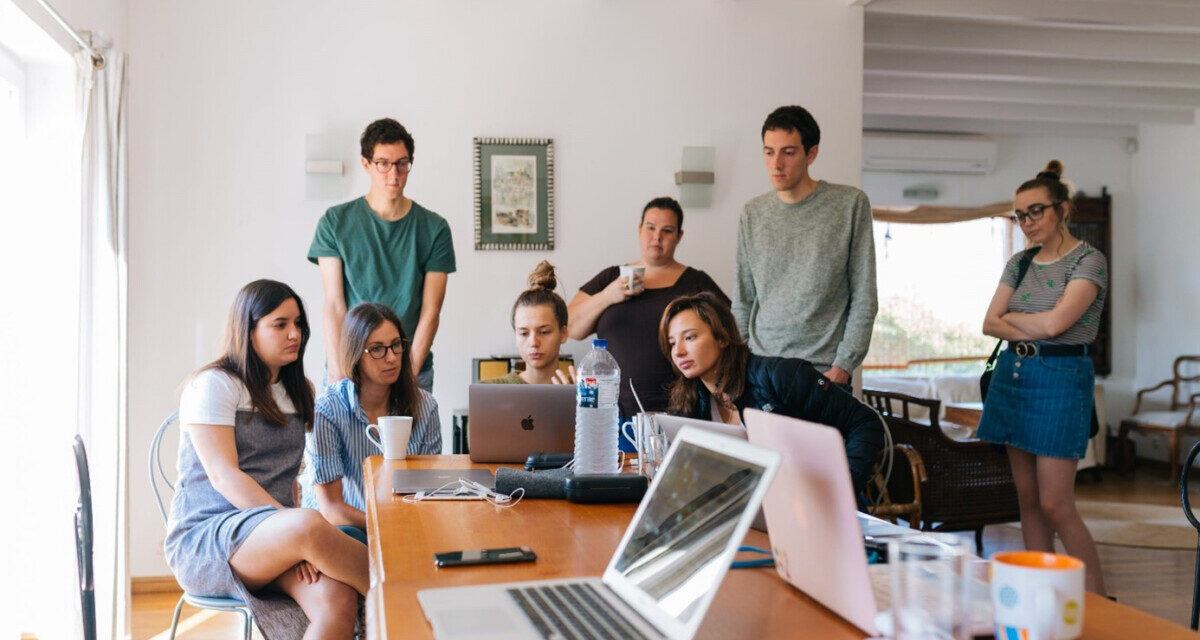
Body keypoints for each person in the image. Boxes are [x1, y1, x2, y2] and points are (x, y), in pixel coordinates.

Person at [166, 280, 367, 640]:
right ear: (249, 329)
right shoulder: (215, 384)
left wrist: (294, 541)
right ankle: (413, 597)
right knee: (310, 525)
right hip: (210, 539)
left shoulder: (298, 390)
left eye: (299, 324)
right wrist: (295, 534)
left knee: (337, 599)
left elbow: (289, 478)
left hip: (275, 535)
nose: (295, 334)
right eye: (280, 324)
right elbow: (224, 476)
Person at [979, 160, 1108, 594]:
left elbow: (1057, 327)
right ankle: (1039, 593)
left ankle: (1097, 601)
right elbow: (989, 323)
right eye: (1020, 214)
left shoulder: (1090, 261)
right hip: (1014, 376)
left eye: (1036, 211)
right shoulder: (1019, 262)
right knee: (1028, 501)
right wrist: (1029, 321)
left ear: (1063, 210)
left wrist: (1015, 317)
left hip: (1061, 379)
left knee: (1056, 503)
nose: (1027, 222)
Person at [659, 292, 883, 497]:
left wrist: (842, 489)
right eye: (672, 343)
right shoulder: (690, 401)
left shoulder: (780, 376)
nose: (678, 351)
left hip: (813, 504)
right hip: (754, 509)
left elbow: (865, 422)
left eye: (689, 338)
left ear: (722, 337)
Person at [733, 105, 877, 388]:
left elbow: (864, 296)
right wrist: (739, 363)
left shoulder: (849, 205)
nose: (776, 164)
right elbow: (743, 299)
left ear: (811, 154)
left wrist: (843, 366)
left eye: (788, 152)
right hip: (761, 369)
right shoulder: (753, 212)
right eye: (768, 152)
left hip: (823, 373)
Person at [309, 118, 456, 392]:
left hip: (410, 367)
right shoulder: (335, 223)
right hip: (351, 367)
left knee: (412, 437)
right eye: (383, 163)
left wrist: (408, 376)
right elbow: (334, 305)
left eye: (402, 163)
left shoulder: (434, 229)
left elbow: (431, 311)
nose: (394, 174)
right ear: (366, 164)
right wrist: (339, 372)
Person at [568, 197, 728, 420]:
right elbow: (571, 327)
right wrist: (608, 296)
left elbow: (729, 335)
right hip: (611, 411)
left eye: (667, 230)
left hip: (682, 409)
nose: (657, 237)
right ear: (639, 229)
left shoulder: (696, 282)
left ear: (679, 236)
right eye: (650, 228)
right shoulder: (611, 277)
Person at [301, 302, 443, 537]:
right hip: (343, 530)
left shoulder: (426, 406)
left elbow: (427, 490)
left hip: (403, 525)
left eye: (396, 345)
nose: (391, 358)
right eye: (377, 349)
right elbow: (331, 509)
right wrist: (386, 526)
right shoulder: (327, 410)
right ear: (355, 354)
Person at [482, 261, 574, 385]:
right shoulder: (488, 391)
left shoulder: (582, 390)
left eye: (544, 332)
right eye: (524, 333)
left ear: (563, 333)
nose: (533, 343)